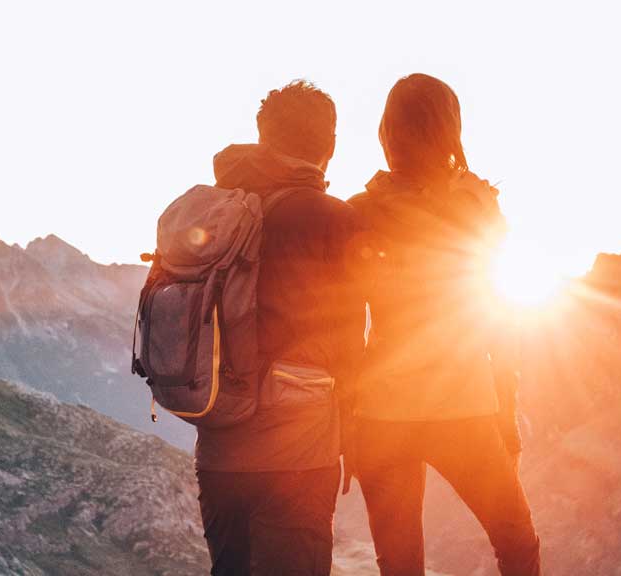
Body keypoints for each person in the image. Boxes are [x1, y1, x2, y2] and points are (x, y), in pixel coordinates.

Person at [348, 73, 542, 576]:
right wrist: (507, 416)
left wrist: (347, 420)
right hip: (465, 408)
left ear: (387, 131)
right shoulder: (477, 206)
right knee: (517, 544)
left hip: (381, 415)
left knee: (400, 566)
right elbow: (500, 318)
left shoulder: (359, 213)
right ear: (449, 129)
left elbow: (337, 323)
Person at [195, 81, 364, 576]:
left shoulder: (220, 211)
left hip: (219, 449)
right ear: (330, 144)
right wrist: (352, 432)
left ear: (263, 138)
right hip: (298, 451)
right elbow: (352, 341)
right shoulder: (333, 218)